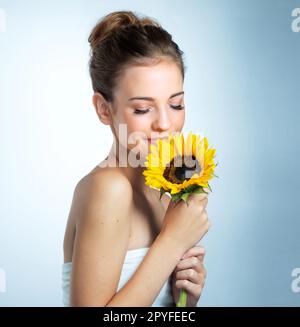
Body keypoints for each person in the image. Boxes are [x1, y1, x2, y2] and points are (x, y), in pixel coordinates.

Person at [62, 10, 210, 307]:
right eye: (143, 109)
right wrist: (172, 242)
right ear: (104, 109)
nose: (165, 124)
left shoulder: (168, 191)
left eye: (176, 104)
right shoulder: (108, 189)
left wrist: (185, 301)